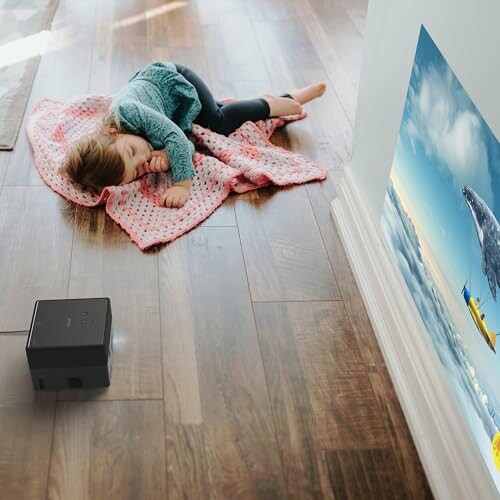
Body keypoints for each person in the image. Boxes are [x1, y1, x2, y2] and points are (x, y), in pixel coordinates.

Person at [60, 61, 326, 208]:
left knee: (217, 123)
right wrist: (165, 153)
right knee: (217, 113)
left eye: (132, 152)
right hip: (174, 109)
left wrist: (181, 184)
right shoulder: (125, 144)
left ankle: (269, 106)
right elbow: (185, 144)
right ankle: (287, 99)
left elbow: (177, 137)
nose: (144, 157)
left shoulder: (128, 111)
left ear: (112, 131)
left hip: (176, 81)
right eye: (139, 170)